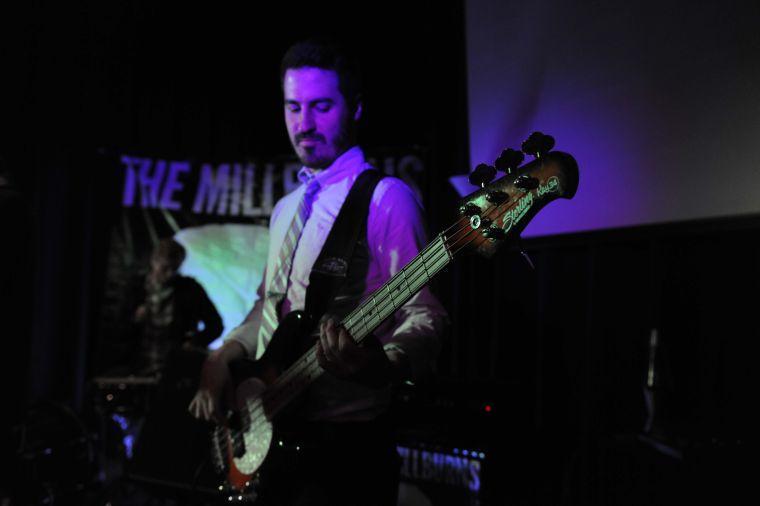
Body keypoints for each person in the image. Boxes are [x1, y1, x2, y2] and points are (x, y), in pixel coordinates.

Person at [189, 39, 448, 505]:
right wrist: (222, 355)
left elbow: (425, 315)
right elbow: (267, 310)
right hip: (274, 436)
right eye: (293, 107)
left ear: (356, 107)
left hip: (347, 451)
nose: (303, 125)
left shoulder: (387, 198)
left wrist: (380, 365)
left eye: (321, 106)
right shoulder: (287, 209)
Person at [133, 238, 223, 375]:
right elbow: (117, 325)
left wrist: (194, 343)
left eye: (175, 268)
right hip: (138, 366)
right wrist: (134, 318)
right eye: (165, 268)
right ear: (154, 261)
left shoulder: (190, 289)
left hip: (176, 369)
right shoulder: (137, 287)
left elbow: (216, 325)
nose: (170, 274)